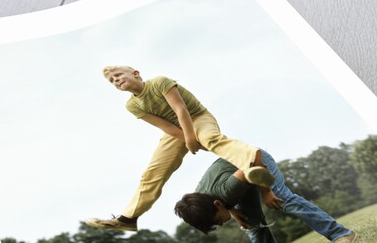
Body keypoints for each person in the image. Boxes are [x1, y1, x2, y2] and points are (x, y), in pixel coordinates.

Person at [85, 66, 274, 231]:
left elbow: (180, 109)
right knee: (153, 171)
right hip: (174, 131)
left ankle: (251, 161)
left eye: (118, 75)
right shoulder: (132, 105)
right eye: (112, 81)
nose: (116, 81)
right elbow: (165, 127)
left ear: (135, 73)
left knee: (211, 139)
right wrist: (187, 139)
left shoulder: (160, 82)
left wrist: (192, 138)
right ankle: (128, 218)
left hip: (197, 117)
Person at [174, 150, 357, 243]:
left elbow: (255, 165)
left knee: (282, 199)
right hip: (241, 177)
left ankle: (341, 234)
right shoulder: (202, 200)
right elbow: (224, 199)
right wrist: (234, 212)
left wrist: (266, 192)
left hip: (256, 161)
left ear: (217, 204)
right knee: (251, 223)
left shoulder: (225, 191)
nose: (220, 224)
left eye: (216, 221)